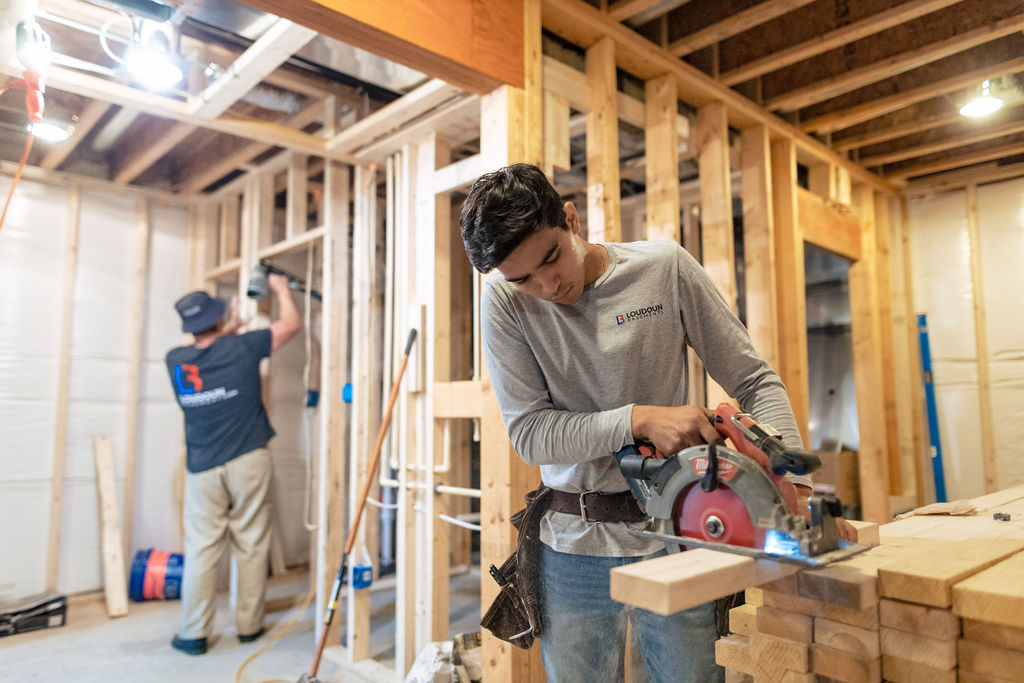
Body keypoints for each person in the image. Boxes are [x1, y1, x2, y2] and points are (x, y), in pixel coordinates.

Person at [460, 164, 854, 682]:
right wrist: (639, 420)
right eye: (523, 278)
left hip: (675, 537)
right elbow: (531, 434)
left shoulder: (663, 269)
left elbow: (754, 380)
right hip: (570, 546)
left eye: (551, 258)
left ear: (571, 220)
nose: (547, 284)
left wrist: (793, 490)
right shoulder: (504, 302)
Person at [165, 273, 301, 655]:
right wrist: (281, 291)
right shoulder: (242, 347)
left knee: (202, 550)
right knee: (252, 543)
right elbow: (291, 325)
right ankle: (248, 627)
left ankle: (193, 634)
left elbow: (209, 352)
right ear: (218, 319)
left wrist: (230, 330)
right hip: (247, 460)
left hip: (202, 467)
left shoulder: (175, 360)